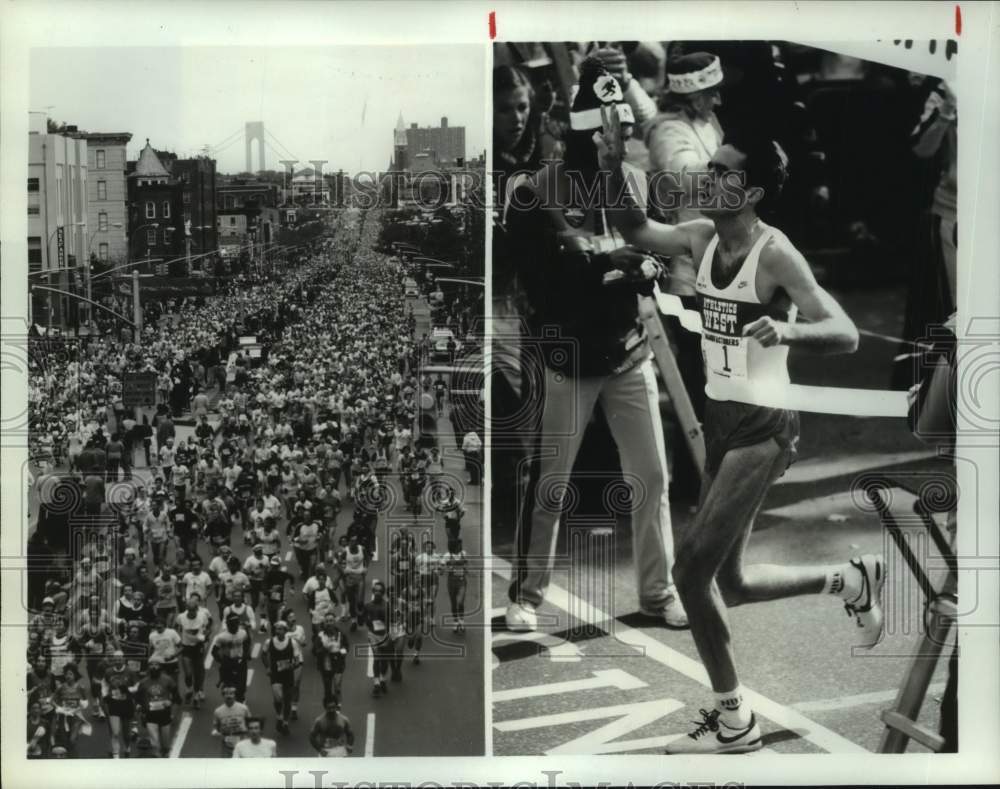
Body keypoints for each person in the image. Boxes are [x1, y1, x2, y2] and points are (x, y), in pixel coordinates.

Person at [601, 121, 884, 753]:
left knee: (691, 570)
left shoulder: (775, 253)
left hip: (765, 428)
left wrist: (790, 333)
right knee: (732, 584)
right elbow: (635, 230)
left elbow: (846, 332)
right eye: (712, 165)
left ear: (749, 191)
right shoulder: (702, 237)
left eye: (723, 171)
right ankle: (848, 579)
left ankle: (735, 722)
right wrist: (609, 159)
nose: (707, 175)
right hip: (721, 425)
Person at [503, 58, 687, 634]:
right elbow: (537, 281)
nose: (625, 141)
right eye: (616, 132)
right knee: (551, 481)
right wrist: (605, 263)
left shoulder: (632, 181)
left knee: (653, 475)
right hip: (567, 358)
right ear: (589, 133)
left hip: (629, 349)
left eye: (628, 130)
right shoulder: (537, 190)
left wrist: (650, 266)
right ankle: (528, 595)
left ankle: (658, 592)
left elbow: (657, 248)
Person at [261, 620, 302, 734]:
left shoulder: (292, 643)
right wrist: (268, 667)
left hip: (288, 674)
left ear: (285, 631)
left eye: (280, 629)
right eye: (276, 629)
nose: (277, 631)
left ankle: (285, 722)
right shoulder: (269, 642)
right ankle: (279, 715)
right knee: (278, 698)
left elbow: (297, 660)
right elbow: (263, 655)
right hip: (275, 674)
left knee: (288, 699)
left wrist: (291, 665)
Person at [175, 593, 212, 709]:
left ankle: (196, 695)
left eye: (194, 610)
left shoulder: (202, 616)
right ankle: (189, 688)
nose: (192, 613)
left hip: (198, 647)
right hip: (186, 647)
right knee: (188, 673)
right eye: (190, 610)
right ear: (187, 610)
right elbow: (176, 628)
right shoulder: (181, 617)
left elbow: (209, 627)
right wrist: (179, 639)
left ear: (197, 609)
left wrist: (205, 636)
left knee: (198, 672)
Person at [136, 655, 177, 757]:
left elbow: (177, 697)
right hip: (150, 716)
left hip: (165, 715)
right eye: (151, 665)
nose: (154, 667)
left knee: (166, 747)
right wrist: (140, 709)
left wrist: (170, 703)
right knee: (155, 746)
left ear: (161, 667)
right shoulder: (143, 682)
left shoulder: (168, 680)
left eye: (156, 665)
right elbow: (138, 699)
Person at [101, 650, 140, 758]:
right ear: (113, 660)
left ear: (123, 659)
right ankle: (116, 756)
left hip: (126, 704)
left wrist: (128, 690)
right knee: (115, 732)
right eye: (115, 659)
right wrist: (105, 695)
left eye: (119, 658)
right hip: (114, 704)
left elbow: (137, 686)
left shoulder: (130, 672)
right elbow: (104, 683)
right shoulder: (108, 672)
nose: (117, 661)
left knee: (126, 733)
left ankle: (127, 747)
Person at [211, 613, 253, 702]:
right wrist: (221, 661)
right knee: (229, 687)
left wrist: (246, 654)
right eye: (233, 625)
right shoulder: (221, 637)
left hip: (240, 662)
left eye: (236, 624)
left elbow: (247, 642)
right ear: (228, 625)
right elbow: (214, 651)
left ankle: (241, 700)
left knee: (241, 687)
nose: (235, 627)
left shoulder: (242, 633)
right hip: (228, 663)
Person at [362, 579, 390, 697]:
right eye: (375, 590)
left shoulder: (387, 606)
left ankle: (382, 678)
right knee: (377, 658)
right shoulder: (368, 606)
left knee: (384, 661)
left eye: (380, 591)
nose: (378, 593)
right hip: (373, 635)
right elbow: (364, 618)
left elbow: (390, 622)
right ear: (373, 592)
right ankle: (376, 683)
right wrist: (370, 623)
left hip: (385, 636)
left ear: (383, 593)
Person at [315, 612, 349, 705]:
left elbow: (346, 646)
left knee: (337, 687)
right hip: (326, 664)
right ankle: (329, 708)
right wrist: (325, 648)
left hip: (338, 663)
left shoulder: (341, 634)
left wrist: (343, 651)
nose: (329, 623)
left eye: (331, 621)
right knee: (328, 689)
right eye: (327, 621)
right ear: (324, 623)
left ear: (335, 622)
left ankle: (338, 706)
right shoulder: (320, 636)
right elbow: (316, 651)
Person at [212, 684, 251, 758]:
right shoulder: (218, 711)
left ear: (235, 695)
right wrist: (216, 732)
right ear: (223, 696)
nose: (228, 696)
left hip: (242, 743)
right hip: (226, 746)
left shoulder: (243, 708)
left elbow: (250, 722)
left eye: (231, 693)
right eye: (226, 694)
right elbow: (215, 726)